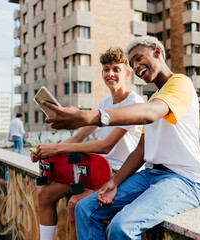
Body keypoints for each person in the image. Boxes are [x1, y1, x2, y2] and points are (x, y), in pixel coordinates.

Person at [41, 36, 200, 240]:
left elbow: (150, 113)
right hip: (151, 175)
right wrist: (115, 181)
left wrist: (88, 116)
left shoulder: (180, 83)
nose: (137, 66)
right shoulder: (154, 98)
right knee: (84, 209)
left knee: (121, 227)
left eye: (139, 59)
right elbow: (141, 150)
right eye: (133, 63)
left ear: (157, 52)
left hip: (186, 180)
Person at [31, 47, 144, 240]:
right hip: (99, 171)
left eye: (116, 69)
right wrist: (45, 152)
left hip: (121, 174)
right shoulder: (104, 103)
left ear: (126, 73)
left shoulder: (134, 103)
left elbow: (105, 145)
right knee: (44, 195)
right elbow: (77, 138)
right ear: (102, 73)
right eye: (106, 69)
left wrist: (57, 148)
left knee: (75, 203)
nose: (110, 74)